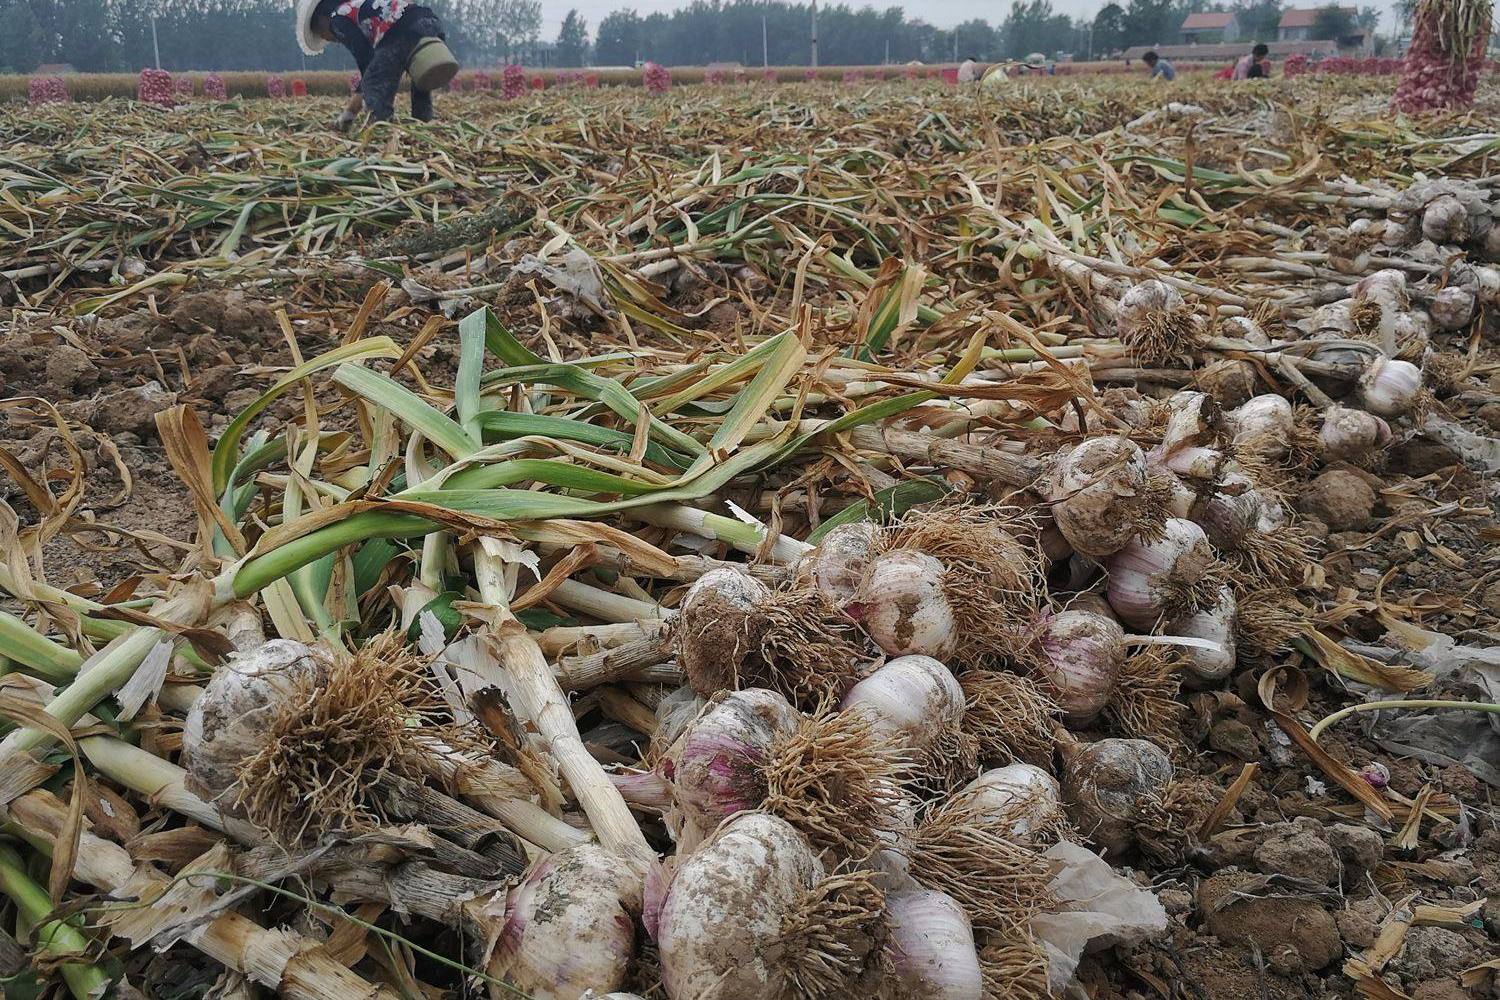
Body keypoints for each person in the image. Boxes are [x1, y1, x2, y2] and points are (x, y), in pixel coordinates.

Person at [296, 0, 458, 128]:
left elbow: (366, 59)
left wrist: (350, 112)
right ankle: (424, 124)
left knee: (374, 83)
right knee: (420, 75)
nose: (326, 39)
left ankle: (381, 130)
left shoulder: (336, 19)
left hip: (401, 29)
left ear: (321, 19)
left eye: (320, 34)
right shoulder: (357, 6)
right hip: (429, 20)